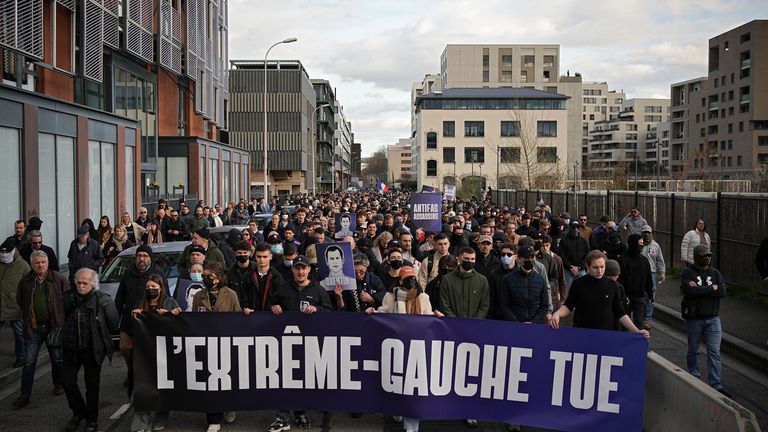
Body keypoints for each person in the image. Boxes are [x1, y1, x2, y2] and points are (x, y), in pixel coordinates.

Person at [267, 255, 331, 432]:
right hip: (286, 343)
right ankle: (282, 417)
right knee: (285, 380)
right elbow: (271, 302)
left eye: (304, 268)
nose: (301, 271)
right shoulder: (283, 287)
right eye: (297, 268)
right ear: (293, 269)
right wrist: (273, 307)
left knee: (303, 380)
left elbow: (329, 311)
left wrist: (317, 309)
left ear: (309, 269)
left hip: (309, 344)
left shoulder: (318, 290)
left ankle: (300, 412)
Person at [366, 265, 432, 432]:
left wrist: (438, 318)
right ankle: (397, 409)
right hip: (397, 347)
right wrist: (373, 312)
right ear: (400, 281)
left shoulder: (423, 297)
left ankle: (411, 427)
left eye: (413, 278)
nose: (411, 281)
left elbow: (429, 318)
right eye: (407, 279)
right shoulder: (391, 297)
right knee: (397, 383)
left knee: (412, 388)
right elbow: (384, 313)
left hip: (416, 348)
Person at [61, 268, 119, 432]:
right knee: (67, 381)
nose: (81, 286)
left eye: (85, 283)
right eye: (78, 282)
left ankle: (91, 421)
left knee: (92, 387)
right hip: (71, 349)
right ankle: (79, 413)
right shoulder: (67, 298)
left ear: (93, 284)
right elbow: (61, 318)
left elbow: (113, 323)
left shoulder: (103, 300)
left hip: (93, 350)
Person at [13, 250, 70, 409]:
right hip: (34, 327)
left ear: (48, 263)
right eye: (37, 263)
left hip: (54, 326)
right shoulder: (25, 281)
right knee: (29, 362)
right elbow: (20, 300)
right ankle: (25, 394)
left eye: (43, 262)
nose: (40, 265)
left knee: (57, 359)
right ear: (31, 264)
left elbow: (68, 300)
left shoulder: (58, 278)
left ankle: (58, 383)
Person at [549, 250, 650, 338]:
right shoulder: (578, 284)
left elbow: (620, 313)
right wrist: (557, 314)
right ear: (587, 266)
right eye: (595, 267)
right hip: (582, 332)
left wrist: (636, 331)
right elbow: (569, 306)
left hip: (605, 334)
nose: (600, 271)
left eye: (602, 267)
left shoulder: (613, 285)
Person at [191, 262, 241, 432]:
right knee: (210, 382)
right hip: (206, 345)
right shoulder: (198, 296)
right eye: (204, 275)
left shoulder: (231, 295)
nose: (205, 278)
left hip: (226, 344)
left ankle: (230, 405)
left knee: (227, 379)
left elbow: (237, 319)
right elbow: (193, 320)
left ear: (218, 278)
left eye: (209, 276)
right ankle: (213, 419)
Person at [129, 274, 180, 432]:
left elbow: (179, 324)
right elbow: (133, 327)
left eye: (153, 287)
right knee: (141, 386)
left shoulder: (169, 302)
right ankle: (140, 423)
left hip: (164, 352)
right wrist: (135, 315)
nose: (150, 289)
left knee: (162, 386)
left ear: (160, 288)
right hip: (144, 353)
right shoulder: (140, 303)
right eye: (148, 287)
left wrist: (172, 314)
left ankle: (161, 414)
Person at [680, 244, 731, 398]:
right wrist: (711, 288)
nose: (707, 258)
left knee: (714, 352)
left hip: (713, 318)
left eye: (709, 255)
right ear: (696, 257)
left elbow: (722, 292)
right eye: (704, 256)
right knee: (694, 350)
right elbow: (689, 291)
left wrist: (700, 290)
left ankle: (716, 384)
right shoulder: (688, 272)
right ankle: (694, 378)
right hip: (694, 319)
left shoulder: (715, 273)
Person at [499, 245, 550, 324]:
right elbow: (504, 305)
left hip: (535, 325)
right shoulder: (508, 279)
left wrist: (534, 322)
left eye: (532, 257)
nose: (530, 260)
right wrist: (517, 323)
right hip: (514, 324)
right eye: (526, 257)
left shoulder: (540, 279)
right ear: (519, 259)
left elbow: (544, 306)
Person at [1, 238, 31, 368]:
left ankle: (21, 357)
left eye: (6, 252)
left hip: (16, 306)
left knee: (19, 334)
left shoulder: (23, 265)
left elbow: (29, 286)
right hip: (1, 305)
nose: (3, 255)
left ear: (13, 251)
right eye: (2, 252)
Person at [617, 234, 653, 330]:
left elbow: (649, 278)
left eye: (642, 243)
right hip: (626, 297)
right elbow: (619, 279)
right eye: (640, 243)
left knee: (639, 323)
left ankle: (637, 339)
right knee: (624, 324)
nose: (642, 245)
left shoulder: (644, 261)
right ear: (633, 244)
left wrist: (650, 294)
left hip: (640, 296)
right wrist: (622, 295)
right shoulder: (622, 260)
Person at [240, 243, 285, 314]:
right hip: (251, 316)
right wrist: (245, 307)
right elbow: (243, 297)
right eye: (259, 256)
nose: (261, 260)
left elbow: (281, 299)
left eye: (265, 257)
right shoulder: (247, 276)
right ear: (255, 256)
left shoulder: (277, 277)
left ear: (270, 257)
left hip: (271, 316)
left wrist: (275, 306)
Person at [640, 225, 666, 328]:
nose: (646, 234)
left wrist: (662, 273)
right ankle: (639, 318)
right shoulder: (638, 244)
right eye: (644, 232)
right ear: (641, 233)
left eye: (648, 232)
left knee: (650, 296)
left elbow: (660, 261)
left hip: (651, 273)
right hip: (640, 272)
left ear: (651, 233)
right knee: (640, 296)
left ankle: (647, 319)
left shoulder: (655, 246)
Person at [559, 221, 590, 288]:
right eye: (573, 228)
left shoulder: (584, 241)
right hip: (568, 271)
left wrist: (580, 267)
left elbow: (587, 254)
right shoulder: (564, 241)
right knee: (569, 290)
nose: (575, 229)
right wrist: (570, 267)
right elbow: (562, 255)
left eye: (577, 228)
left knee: (583, 289)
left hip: (581, 270)